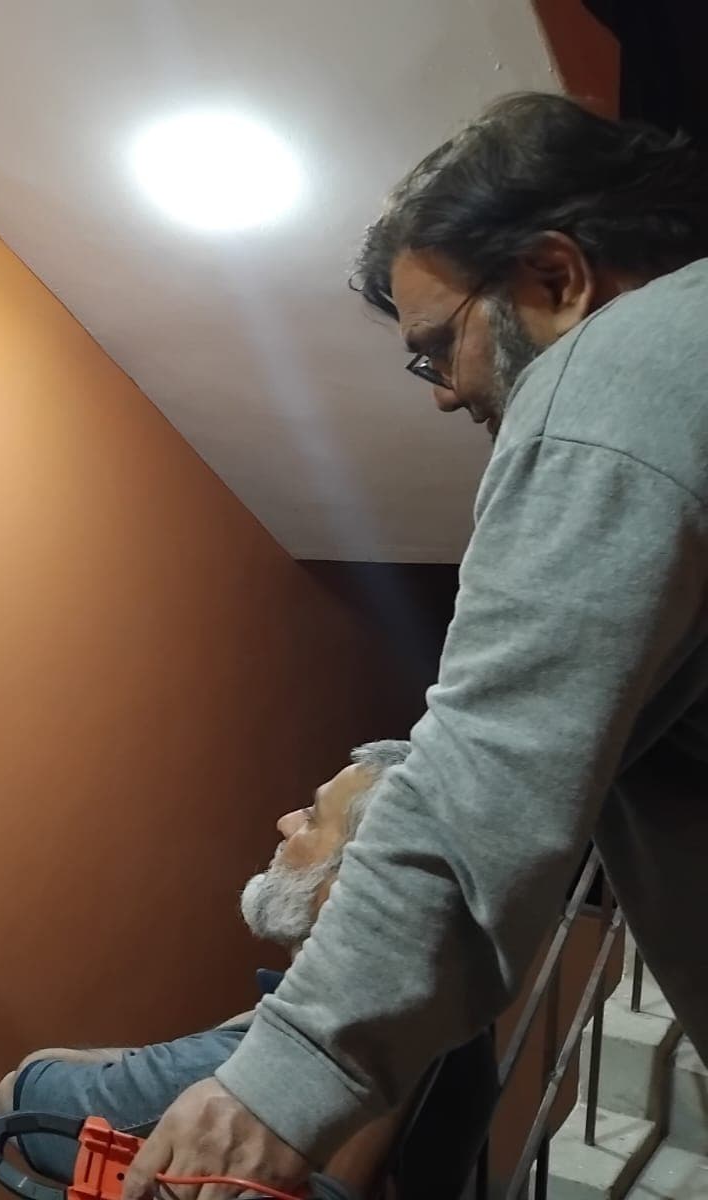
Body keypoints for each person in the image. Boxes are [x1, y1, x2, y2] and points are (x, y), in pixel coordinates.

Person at [128, 93, 708, 1200]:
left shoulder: (614, 374)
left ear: (556, 277)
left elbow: (486, 773)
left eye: (439, 347)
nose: (444, 395)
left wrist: (283, 1079)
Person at [0, 744, 494, 1200]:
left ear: (353, 886)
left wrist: (233, 1035)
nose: (285, 823)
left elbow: (21, 1099)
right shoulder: (458, 1037)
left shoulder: (268, 1070)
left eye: (313, 819)